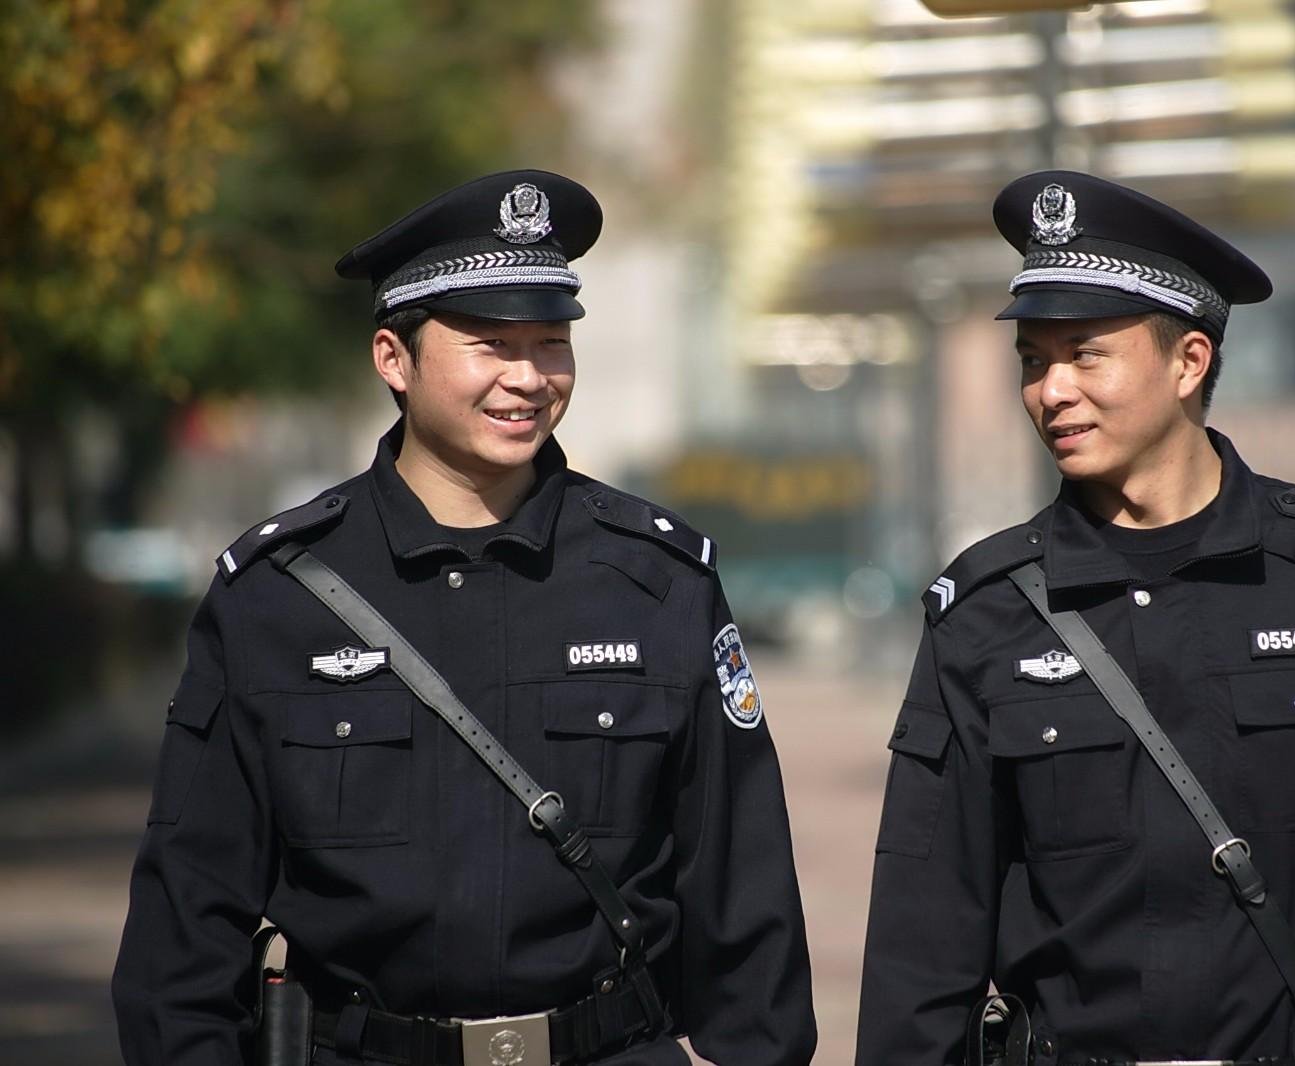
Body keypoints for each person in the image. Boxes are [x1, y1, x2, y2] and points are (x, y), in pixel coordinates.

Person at [113, 170, 817, 1066]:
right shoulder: (276, 595)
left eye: (551, 343)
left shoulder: (657, 578)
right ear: (392, 358)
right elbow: (187, 917)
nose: (529, 378)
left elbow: (741, 881)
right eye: (490, 344)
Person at [855, 171, 1295, 1065]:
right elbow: (922, 957)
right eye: (1034, 360)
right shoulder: (984, 615)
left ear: (1189, 361)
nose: (1051, 391)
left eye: (1084, 352)